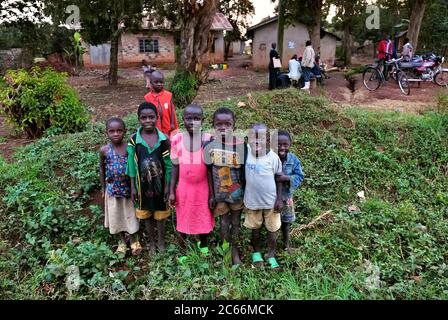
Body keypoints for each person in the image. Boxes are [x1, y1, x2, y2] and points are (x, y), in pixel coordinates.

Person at [169, 104, 215, 259]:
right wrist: (171, 190)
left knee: (203, 215)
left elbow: (210, 169)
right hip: (183, 187)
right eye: (189, 118)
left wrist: (212, 193)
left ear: (203, 120)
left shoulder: (208, 139)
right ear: (183, 119)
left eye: (197, 118)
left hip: (203, 188)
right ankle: (182, 249)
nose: (193, 122)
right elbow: (174, 167)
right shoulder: (177, 139)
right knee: (183, 216)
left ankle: (203, 246)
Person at [126, 102, 172, 253]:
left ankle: (161, 241)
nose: (147, 121)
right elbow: (131, 165)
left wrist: (168, 186)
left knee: (161, 215)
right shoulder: (134, 140)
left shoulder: (164, 139)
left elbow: (168, 165)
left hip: (160, 186)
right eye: (143, 117)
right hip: (142, 186)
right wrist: (133, 186)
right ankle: (151, 242)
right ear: (138, 119)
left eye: (151, 117)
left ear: (157, 118)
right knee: (146, 215)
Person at [204, 107, 246, 265]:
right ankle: (226, 252)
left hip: (236, 194)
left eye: (227, 124)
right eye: (219, 124)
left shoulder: (240, 145)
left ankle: (235, 253)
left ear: (234, 126)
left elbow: (244, 171)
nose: (223, 128)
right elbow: (208, 170)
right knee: (223, 223)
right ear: (213, 125)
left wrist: (246, 192)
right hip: (219, 194)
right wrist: (211, 194)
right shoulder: (209, 145)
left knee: (235, 223)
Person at [100, 117, 141, 255]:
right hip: (112, 190)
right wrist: (103, 187)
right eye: (112, 131)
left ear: (125, 131)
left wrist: (134, 188)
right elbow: (102, 170)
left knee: (130, 215)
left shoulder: (129, 149)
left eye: (119, 130)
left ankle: (134, 239)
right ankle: (122, 241)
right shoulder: (104, 150)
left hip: (128, 190)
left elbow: (134, 169)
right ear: (107, 133)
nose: (116, 134)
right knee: (116, 216)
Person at [243, 123, 283, 269]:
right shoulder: (246, 153)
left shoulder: (273, 158)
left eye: (261, 137)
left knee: (272, 230)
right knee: (255, 229)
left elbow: (279, 179)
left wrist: (279, 199)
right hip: (252, 201)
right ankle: (256, 253)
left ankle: (271, 255)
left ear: (267, 139)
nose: (256, 141)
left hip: (271, 203)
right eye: (253, 137)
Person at [274, 130, 304, 253]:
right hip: (272, 197)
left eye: (285, 145)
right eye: (278, 144)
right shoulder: (270, 158)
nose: (282, 147)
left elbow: (300, 176)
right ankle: (272, 247)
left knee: (286, 223)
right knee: (273, 224)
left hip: (287, 198)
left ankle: (286, 245)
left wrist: (287, 178)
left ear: (290, 144)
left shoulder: (293, 160)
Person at [144, 70, 179, 139]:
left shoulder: (168, 95)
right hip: (155, 125)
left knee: (168, 140)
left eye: (161, 82)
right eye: (156, 82)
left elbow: (172, 110)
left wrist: (172, 123)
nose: (159, 84)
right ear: (151, 83)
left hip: (167, 124)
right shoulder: (147, 98)